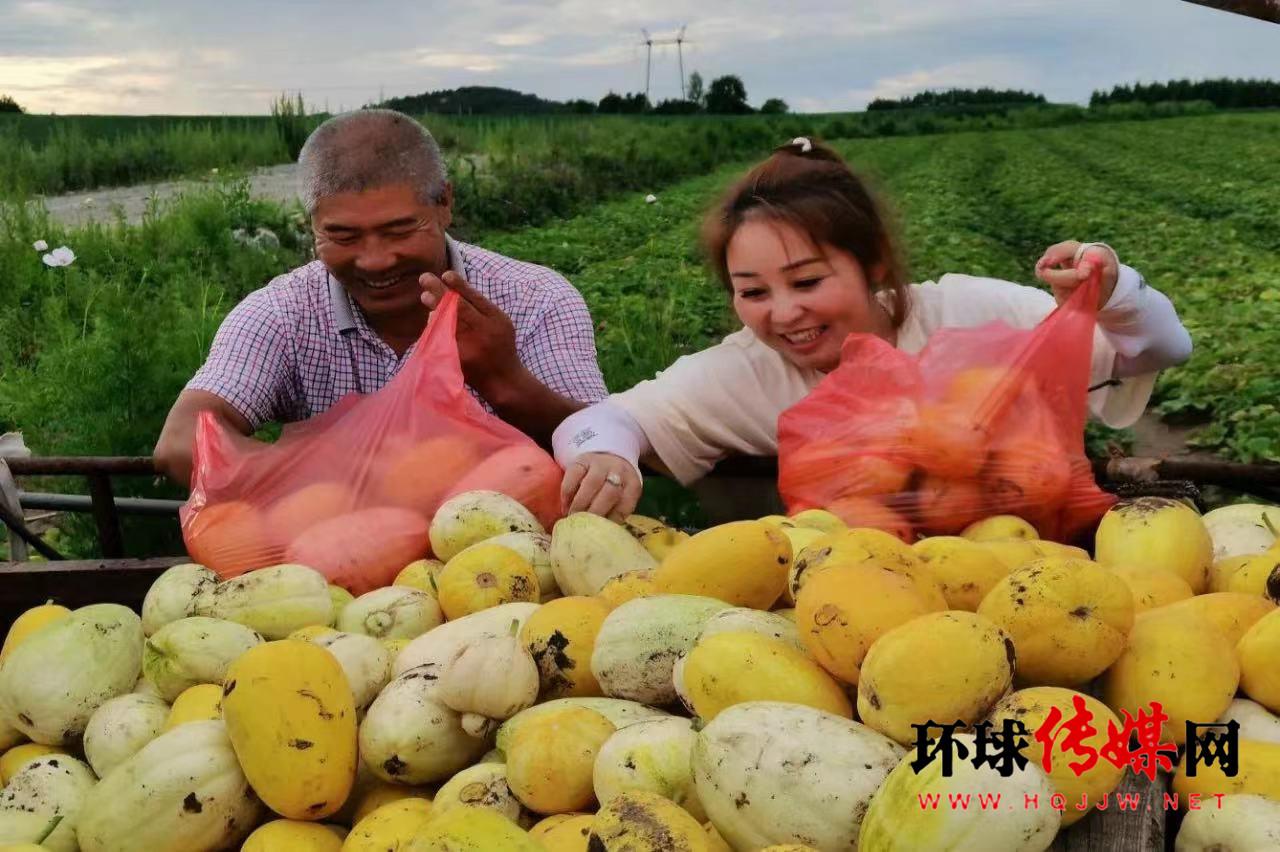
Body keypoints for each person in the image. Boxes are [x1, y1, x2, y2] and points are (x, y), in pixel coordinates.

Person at [554, 136, 1193, 521]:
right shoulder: (748, 371)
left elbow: (1159, 349)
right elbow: (603, 420)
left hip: (1040, 577)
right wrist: (604, 452)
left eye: (807, 282)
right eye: (752, 292)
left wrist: (1113, 293)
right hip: (866, 611)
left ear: (875, 263)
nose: (783, 313)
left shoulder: (971, 314)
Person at [154, 109, 608, 489]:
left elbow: (600, 443)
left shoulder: (534, 299)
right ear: (311, 223)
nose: (374, 261)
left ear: (444, 203)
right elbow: (181, 443)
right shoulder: (283, 314)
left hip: (507, 567)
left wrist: (503, 379)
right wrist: (347, 481)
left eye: (399, 229)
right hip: (343, 570)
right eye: (342, 235)